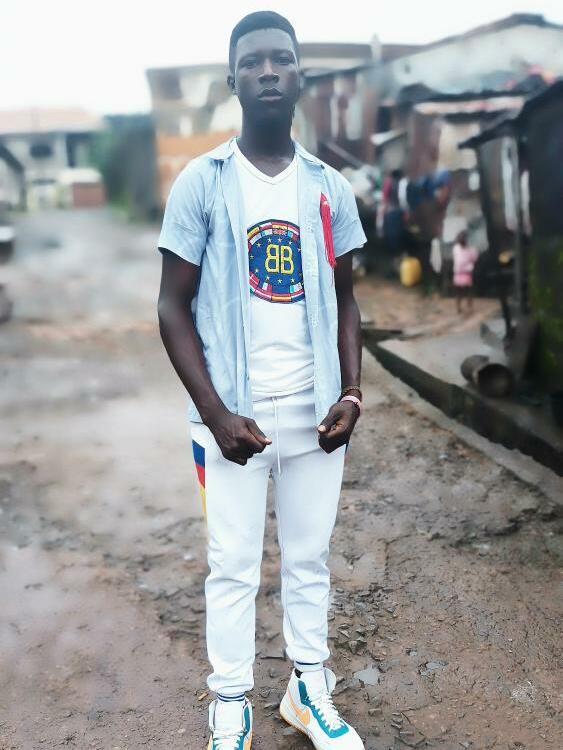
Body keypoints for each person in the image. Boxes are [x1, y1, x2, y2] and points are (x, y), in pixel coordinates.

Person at [157, 11, 366, 749]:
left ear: (300, 74)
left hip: (314, 416)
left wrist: (350, 393)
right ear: (233, 81)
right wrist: (215, 414)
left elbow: (347, 299)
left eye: (281, 58)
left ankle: (308, 690)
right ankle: (230, 702)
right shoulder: (202, 183)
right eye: (253, 62)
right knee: (232, 566)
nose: (269, 71)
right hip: (232, 422)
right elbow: (171, 307)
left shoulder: (328, 188)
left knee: (309, 560)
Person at [452, 230, 478, 314]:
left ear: (466, 239)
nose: (461, 240)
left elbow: (474, 259)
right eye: (459, 239)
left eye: (462, 239)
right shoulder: (456, 248)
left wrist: (468, 266)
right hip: (458, 273)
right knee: (458, 291)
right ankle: (458, 307)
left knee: (468, 290)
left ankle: (469, 306)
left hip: (467, 273)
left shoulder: (471, 250)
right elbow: (456, 259)